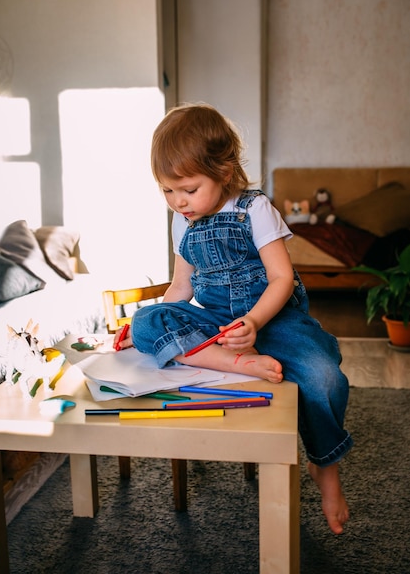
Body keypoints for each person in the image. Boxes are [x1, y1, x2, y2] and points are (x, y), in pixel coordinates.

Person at [114, 103, 353, 534]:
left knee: (324, 376)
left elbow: (281, 279)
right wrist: (150, 325)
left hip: (272, 317)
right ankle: (236, 363)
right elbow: (181, 290)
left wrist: (256, 323)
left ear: (223, 172)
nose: (178, 201)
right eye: (167, 191)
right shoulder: (181, 221)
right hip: (218, 326)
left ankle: (326, 467)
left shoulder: (254, 209)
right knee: (148, 320)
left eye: (187, 189)